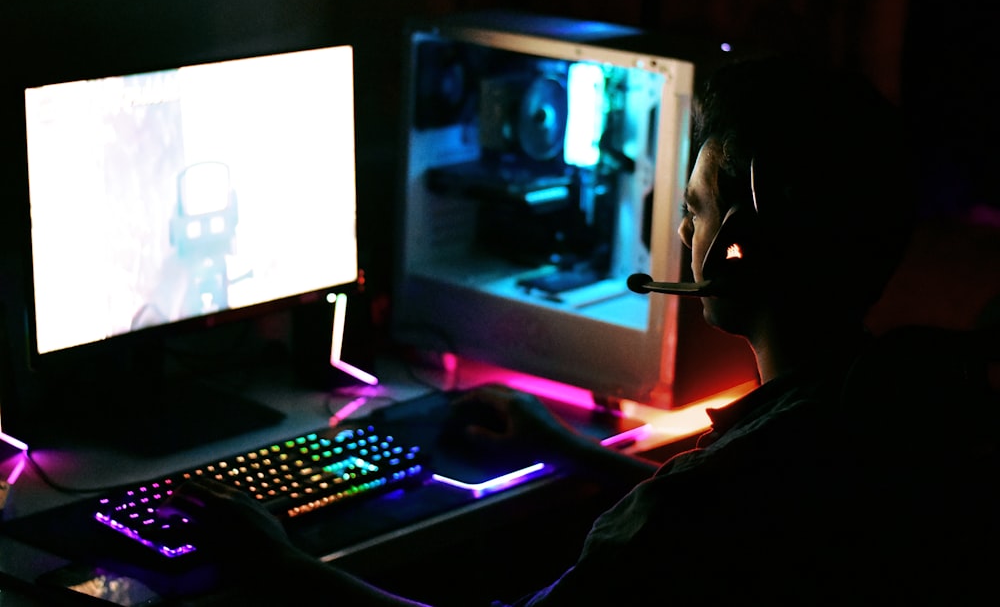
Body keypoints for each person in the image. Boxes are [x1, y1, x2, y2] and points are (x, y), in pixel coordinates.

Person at [167, 55, 995, 605]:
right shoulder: (899, 405)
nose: (682, 234)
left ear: (738, 245)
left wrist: (278, 564)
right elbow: (748, 487)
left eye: (695, 211)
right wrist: (570, 448)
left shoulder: (702, 506)